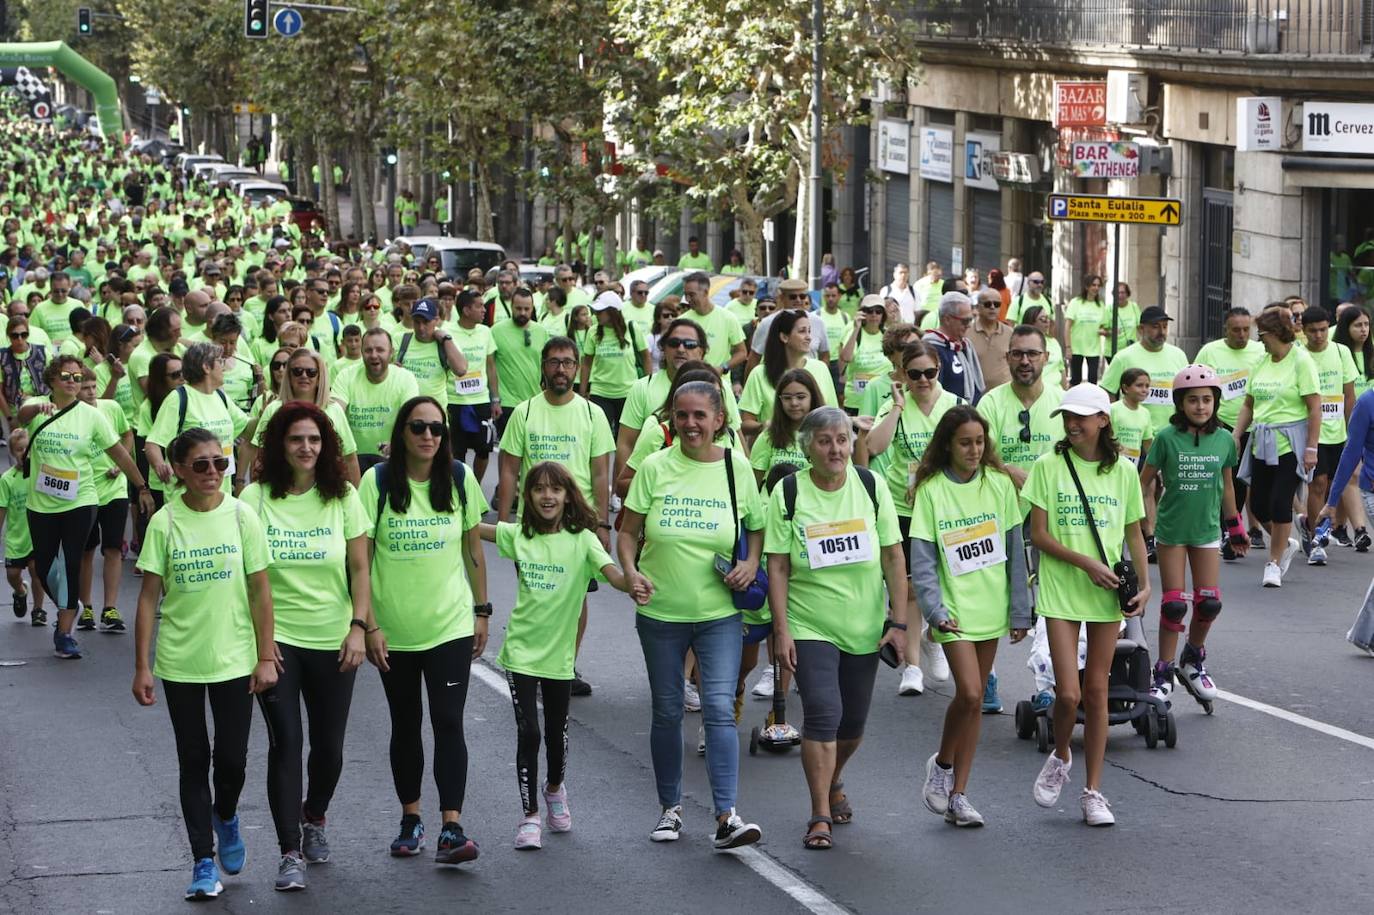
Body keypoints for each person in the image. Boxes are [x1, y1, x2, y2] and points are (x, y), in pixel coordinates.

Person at [617, 381, 765, 849]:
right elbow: (627, 532)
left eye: (700, 415)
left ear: (719, 419)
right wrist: (630, 571)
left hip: (719, 612)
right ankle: (670, 809)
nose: (691, 424)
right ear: (672, 419)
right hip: (660, 612)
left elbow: (757, 530)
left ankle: (727, 816)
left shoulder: (735, 468)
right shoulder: (656, 468)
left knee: (719, 709)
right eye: (682, 415)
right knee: (667, 710)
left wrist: (750, 564)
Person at [131, 427, 276, 902]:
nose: (213, 472)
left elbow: (260, 590)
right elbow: (149, 597)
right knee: (193, 760)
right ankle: (201, 861)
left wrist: (265, 654)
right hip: (181, 662)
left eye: (221, 463)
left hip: (235, 659)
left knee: (232, 759)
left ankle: (227, 815)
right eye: (201, 465)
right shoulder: (165, 523)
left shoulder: (242, 516)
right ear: (178, 471)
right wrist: (142, 666)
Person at [478, 462, 643, 849]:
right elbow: (474, 531)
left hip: (558, 658)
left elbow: (613, 574)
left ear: (568, 495)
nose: (547, 496)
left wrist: (631, 582)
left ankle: (554, 789)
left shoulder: (582, 540)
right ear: (528, 497)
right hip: (519, 652)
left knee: (556, 734)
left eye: (555, 489)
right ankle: (530, 816)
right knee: (529, 732)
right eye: (538, 489)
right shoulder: (520, 535)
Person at [762, 406, 906, 849]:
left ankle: (834, 777)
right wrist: (782, 630)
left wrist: (899, 623)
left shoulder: (870, 485)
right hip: (810, 623)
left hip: (862, 625)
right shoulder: (788, 494)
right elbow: (779, 567)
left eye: (842, 439)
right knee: (824, 714)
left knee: (854, 725)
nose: (835, 449)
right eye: (825, 441)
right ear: (808, 447)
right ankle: (819, 812)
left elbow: (893, 558)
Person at [242, 402, 370, 891]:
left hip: (333, 638)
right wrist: (260, 642)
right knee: (286, 743)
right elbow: (247, 579)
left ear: (327, 445)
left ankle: (314, 815)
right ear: (279, 444)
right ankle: (289, 850)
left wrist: (359, 627)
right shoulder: (254, 498)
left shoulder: (342, 497)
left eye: (315, 440)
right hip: (278, 643)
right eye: (296, 439)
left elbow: (360, 567)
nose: (306, 447)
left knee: (330, 749)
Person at [361, 396, 489, 865]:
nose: (428, 436)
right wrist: (368, 624)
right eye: (418, 427)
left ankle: (451, 827)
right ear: (402, 433)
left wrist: (481, 611)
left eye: (436, 428)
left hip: (450, 625)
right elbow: (362, 560)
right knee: (406, 723)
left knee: (449, 721)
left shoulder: (458, 477)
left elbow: (473, 547)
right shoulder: (375, 481)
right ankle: (410, 817)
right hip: (393, 631)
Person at [1023, 383, 1150, 827]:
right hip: (1060, 589)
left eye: (1082, 416)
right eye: (1067, 416)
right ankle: (1061, 755)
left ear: (1103, 421)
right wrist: (1085, 563)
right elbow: (1038, 535)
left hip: (1105, 593)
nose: (1073, 424)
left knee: (1096, 693)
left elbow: (1135, 532)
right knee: (1069, 693)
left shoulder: (1124, 473)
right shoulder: (1048, 465)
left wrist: (1146, 585)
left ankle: (1093, 792)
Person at [912, 406, 1030, 826]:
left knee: (975, 704)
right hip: (953, 612)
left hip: (991, 608)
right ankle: (942, 766)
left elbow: (1016, 551)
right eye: (965, 442)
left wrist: (1021, 610)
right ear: (948, 444)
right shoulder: (930, 490)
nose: (974, 449)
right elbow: (923, 561)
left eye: (980, 442)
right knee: (971, 693)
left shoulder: (999, 485)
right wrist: (935, 611)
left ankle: (959, 795)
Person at [499, 336, 615, 697]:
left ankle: (565, 666)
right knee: (536, 597)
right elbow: (508, 473)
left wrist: (601, 524)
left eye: (567, 362)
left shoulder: (592, 413)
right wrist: (506, 521)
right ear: (543, 368)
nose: (560, 369)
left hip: (577, 522)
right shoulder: (525, 412)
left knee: (574, 598)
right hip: (535, 522)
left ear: (577, 367)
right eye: (553, 362)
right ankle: (530, 665)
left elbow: (600, 474)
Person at [17, 355, 153, 660]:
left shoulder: (92, 416)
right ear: (52, 379)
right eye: (66, 376)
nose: (72, 382)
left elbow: (119, 452)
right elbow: (21, 416)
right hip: (41, 503)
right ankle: (70, 602)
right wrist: (36, 408)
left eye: (78, 378)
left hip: (81, 500)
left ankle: (64, 631)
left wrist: (141, 486)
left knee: (71, 562)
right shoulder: (39, 405)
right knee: (42, 565)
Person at [1140, 366, 1246, 710]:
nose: (1201, 406)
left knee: (1209, 602)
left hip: (1206, 532)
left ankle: (1193, 658)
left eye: (1206, 400)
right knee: (1173, 604)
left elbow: (1227, 485)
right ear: (1180, 403)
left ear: (1215, 402)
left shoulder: (1224, 440)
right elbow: (1145, 482)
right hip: (1172, 531)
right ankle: (1163, 671)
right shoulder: (1166, 438)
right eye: (1193, 400)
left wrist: (1235, 526)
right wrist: (1144, 523)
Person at [867, 340, 962, 696]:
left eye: (930, 373)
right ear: (902, 375)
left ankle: (933, 638)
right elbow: (875, 446)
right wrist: (896, 407)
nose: (923, 380)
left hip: (944, 507)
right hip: (902, 506)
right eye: (914, 374)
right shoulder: (896, 405)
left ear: (939, 370)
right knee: (906, 587)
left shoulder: (955, 405)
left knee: (941, 580)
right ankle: (912, 669)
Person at [1232, 307, 1322, 588]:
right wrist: (1236, 434)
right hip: (1262, 440)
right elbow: (1249, 403)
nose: (1260, 340)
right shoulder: (1261, 362)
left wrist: (1311, 448)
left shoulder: (1301, 361)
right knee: (1258, 504)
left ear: (1277, 333)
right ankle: (1286, 542)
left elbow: (1314, 407)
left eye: (1263, 334)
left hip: (1291, 442)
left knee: (1280, 502)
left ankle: (1273, 563)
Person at [1196, 307, 1269, 552]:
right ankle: (1228, 531)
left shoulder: (1260, 350)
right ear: (1225, 329)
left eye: (1246, 329)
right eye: (1235, 330)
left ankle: (1237, 528)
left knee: (1245, 482)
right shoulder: (1210, 351)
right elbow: (1198, 384)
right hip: (1222, 425)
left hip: (1257, 425)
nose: (1241, 334)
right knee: (1226, 479)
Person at [1294, 304, 1358, 567]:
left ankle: (1313, 526)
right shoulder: (1298, 354)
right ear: (1304, 331)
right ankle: (1316, 539)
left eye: (1322, 330)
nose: (1319, 336)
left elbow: (1350, 395)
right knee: (1317, 485)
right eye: (1313, 331)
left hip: (1339, 433)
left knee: (1334, 486)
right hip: (1312, 433)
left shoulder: (1341, 352)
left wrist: (1355, 431)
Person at [242, 348, 361, 486]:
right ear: (289, 377)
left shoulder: (334, 410)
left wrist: (354, 498)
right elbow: (259, 457)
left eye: (311, 372)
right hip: (281, 489)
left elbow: (350, 459)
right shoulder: (273, 410)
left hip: (326, 489)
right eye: (297, 371)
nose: (304, 376)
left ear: (319, 378)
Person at [146, 343, 249, 498]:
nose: (225, 367)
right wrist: (160, 466)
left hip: (221, 494)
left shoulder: (220, 397)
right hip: (187, 496)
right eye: (220, 362)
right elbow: (153, 443)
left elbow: (247, 429)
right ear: (206, 367)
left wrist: (268, 412)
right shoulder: (178, 398)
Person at [74, 374, 132, 633]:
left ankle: (110, 607)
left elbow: (127, 435)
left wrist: (120, 466)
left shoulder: (111, 408)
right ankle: (85, 606)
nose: (90, 392)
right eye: (84, 388)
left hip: (114, 490)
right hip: (85, 492)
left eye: (93, 386)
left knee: (113, 548)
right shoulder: (71, 416)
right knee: (86, 551)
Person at [739, 309, 837, 437]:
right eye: (802, 331)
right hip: (775, 449)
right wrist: (766, 426)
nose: (809, 337)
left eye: (809, 331)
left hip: (814, 450)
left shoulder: (821, 368)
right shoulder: (759, 374)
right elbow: (745, 424)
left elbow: (833, 414)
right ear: (784, 337)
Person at [334, 328, 419, 473]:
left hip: (392, 460)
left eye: (380, 350)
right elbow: (335, 412)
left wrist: (399, 442)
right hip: (353, 460)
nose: (374, 355)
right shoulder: (346, 376)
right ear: (361, 352)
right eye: (368, 350)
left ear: (391, 352)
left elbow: (412, 416)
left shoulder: (405, 378)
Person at [1098, 306, 1189, 435]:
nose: (1162, 331)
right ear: (1141, 329)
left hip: (1172, 433)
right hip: (1134, 435)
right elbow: (1107, 394)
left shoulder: (1178, 355)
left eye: (1165, 326)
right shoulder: (1123, 357)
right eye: (1155, 327)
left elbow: (1186, 392)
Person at [579, 291, 650, 439]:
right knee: (598, 438)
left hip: (628, 393)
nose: (595, 314)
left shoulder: (632, 328)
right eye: (595, 311)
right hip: (600, 393)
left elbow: (646, 358)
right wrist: (582, 393)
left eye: (600, 311)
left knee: (624, 440)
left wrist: (648, 387)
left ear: (612, 312)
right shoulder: (593, 331)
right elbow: (586, 364)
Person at [446, 291, 498, 484]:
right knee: (456, 452)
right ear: (466, 310)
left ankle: (475, 486)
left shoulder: (485, 331)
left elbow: (491, 366)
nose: (484, 310)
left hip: (481, 401)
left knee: (483, 450)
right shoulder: (447, 331)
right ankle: (458, 487)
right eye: (479, 306)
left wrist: (495, 399)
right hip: (454, 400)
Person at [0, 429, 46, 626]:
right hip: (16, 538)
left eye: (27, 448)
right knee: (12, 575)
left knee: (37, 571)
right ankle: (20, 591)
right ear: (12, 452)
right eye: (19, 450)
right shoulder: (7, 479)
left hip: (37, 535)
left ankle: (38, 610)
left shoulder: (40, 473)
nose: (23, 453)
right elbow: (2, 509)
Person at [490, 288, 549, 435]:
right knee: (508, 454)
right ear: (511, 307)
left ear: (532, 309)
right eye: (518, 308)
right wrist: (495, 400)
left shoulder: (542, 332)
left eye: (526, 309)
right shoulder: (496, 331)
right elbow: (489, 368)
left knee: (533, 452)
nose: (522, 312)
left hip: (534, 402)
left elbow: (546, 366)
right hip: (507, 403)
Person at [751, 369, 822, 485]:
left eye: (800, 397)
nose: (794, 403)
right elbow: (753, 484)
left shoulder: (825, 435)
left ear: (812, 397)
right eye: (787, 398)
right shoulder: (769, 435)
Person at [923, 292, 985, 403]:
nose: (969, 325)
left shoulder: (965, 345)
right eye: (965, 321)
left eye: (971, 319)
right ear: (947, 319)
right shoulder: (931, 349)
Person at [682, 272, 746, 373]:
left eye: (691, 295)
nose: (687, 299)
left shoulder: (728, 318)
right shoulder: (681, 321)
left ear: (706, 292)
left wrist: (723, 367)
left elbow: (742, 352)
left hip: (719, 382)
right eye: (685, 295)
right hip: (690, 379)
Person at [839, 295, 889, 415]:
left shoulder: (887, 335)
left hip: (882, 399)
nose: (874, 315)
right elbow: (845, 358)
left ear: (883, 315)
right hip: (856, 402)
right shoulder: (854, 332)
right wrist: (856, 328)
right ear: (862, 313)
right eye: (869, 311)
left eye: (878, 311)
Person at [0, 316, 49, 424]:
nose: (20, 339)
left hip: (43, 408)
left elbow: (55, 379)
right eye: (15, 336)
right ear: (8, 336)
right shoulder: (2, 356)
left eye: (24, 334)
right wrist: (9, 418)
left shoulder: (43, 352)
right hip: (13, 411)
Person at [1064, 275, 1105, 385]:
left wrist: (1104, 331)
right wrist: (1068, 347)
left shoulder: (1100, 305)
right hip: (1076, 347)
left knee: (1093, 380)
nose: (1096, 288)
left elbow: (1103, 326)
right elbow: (1067, 326)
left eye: (1098, 285)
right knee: (1075, 380)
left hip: (1094, 349)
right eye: (1093, 285)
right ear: (1087, 287)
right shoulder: (1075, 302)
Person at [969, 289, 1012, 390]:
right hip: (976, 395)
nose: (992, 307)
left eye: (997, 304)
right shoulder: (966, 333)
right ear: (978, 307)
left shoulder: (1010, 333)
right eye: (988, 304)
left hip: (1004, 394)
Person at [1103, 282, 1140, 360]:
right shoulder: (1109, 309)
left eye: (1123, 293)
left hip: (1130, 350)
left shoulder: (1134, 307)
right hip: (1112, 352)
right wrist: (1111, 332)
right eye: (1118, 293)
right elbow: (1101, 330)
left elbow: (1140, 326)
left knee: (1129, 372)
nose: (1120, 295)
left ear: (1127, 294)